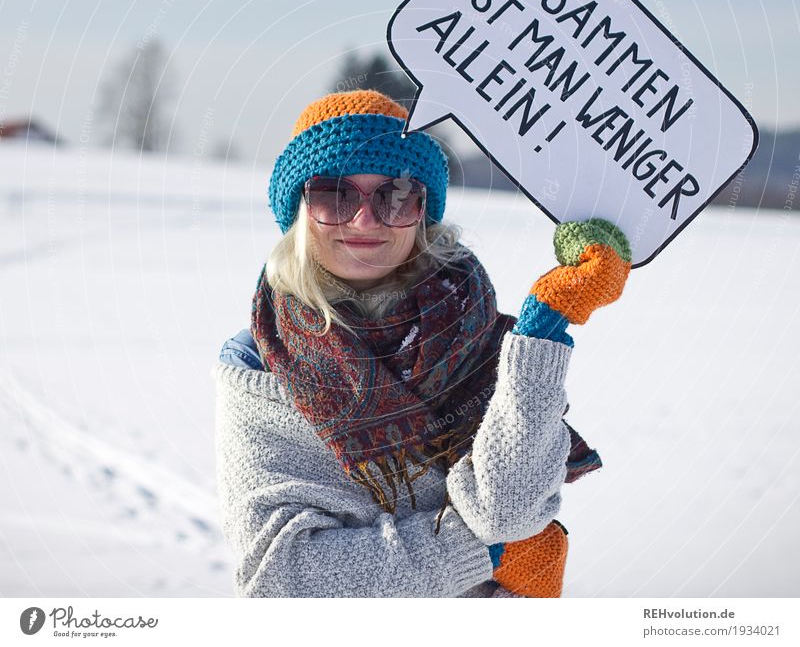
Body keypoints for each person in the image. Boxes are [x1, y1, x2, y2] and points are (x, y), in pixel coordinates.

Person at [214, 89, 631, 598]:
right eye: (334, 195)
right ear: (299, 210)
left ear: (422, 212)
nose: (365, 220)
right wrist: (486, 554)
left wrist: (545, 330)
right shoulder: (262, 363)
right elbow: (283, 582)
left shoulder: (478, 338)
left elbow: (511, 511)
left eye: (395, 195)